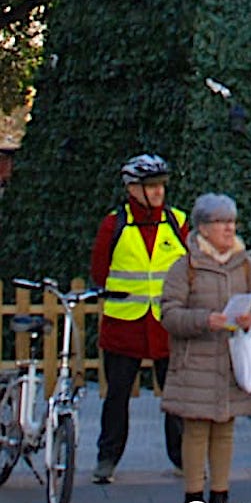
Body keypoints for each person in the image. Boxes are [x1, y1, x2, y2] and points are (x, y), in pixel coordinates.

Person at [90, 153, 185, 484]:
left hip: (166, 324)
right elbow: (100, 272)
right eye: (150, 186)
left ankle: (183, 459)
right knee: (116, 397)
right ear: (132, 188)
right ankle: (107, 459)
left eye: (160, 185)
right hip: (124, 324)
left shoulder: (177, 222)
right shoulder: (113, 224)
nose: (158, 192)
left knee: (174, 397)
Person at [160, 194, 251, 503]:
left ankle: (220, 492)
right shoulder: (185, 267)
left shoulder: (246, 265)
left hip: (231, 360)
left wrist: (249, 319)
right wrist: (205, 320)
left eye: (232, 222)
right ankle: (193, 494)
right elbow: (169, 314)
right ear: (203, 228)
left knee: (225, 429)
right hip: (195, 362)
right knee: (195, 431)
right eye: (221, 222)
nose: (229, 229)